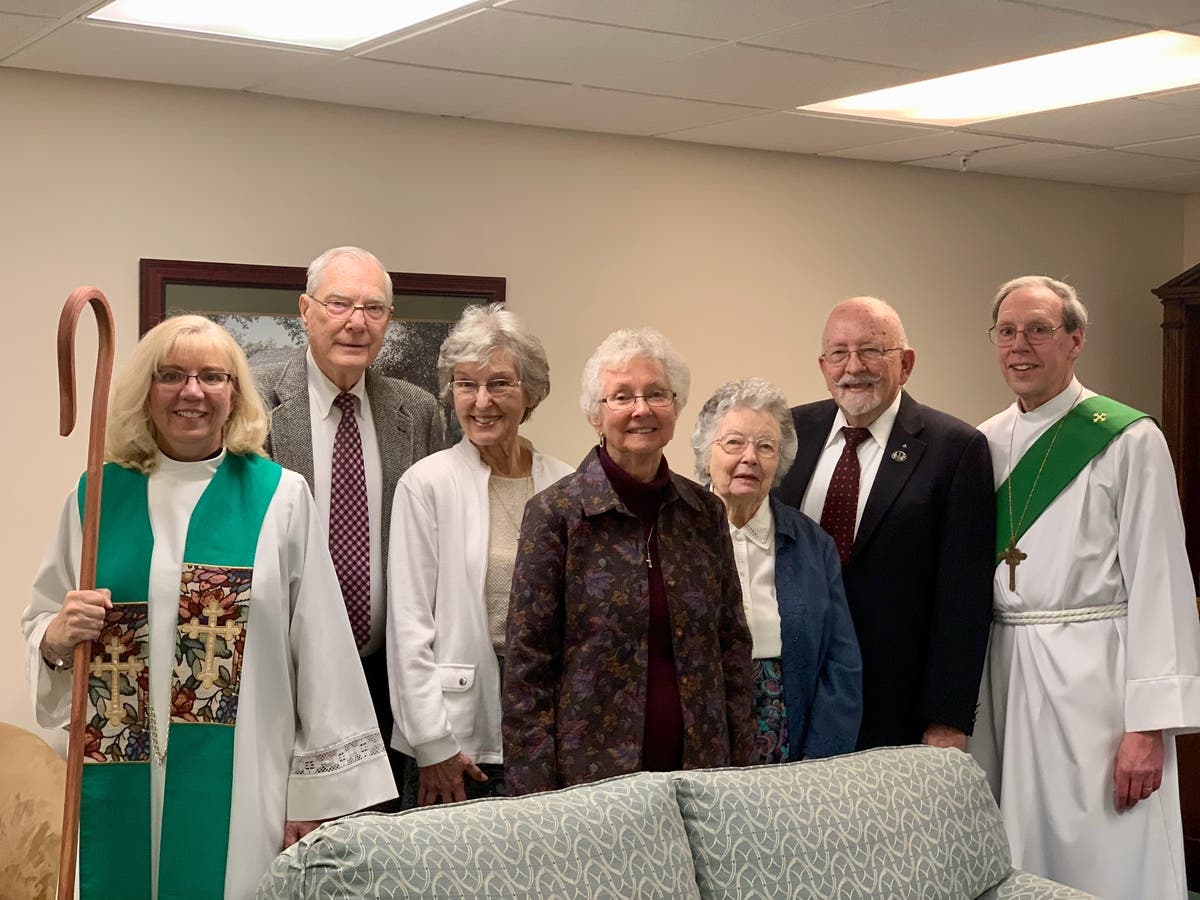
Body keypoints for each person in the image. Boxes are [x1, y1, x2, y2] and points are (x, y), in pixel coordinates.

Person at [22, 315, 394, 899]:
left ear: (234, 394)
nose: (191, 392)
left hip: (244, 785)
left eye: (211, 377)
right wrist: (56, 636)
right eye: (171, 375)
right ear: (146, 391)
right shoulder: (96, 495)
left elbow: (321, 651)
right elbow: (45, 621)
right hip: (121, 774)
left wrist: (315, 797)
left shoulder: (280, 497)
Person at [969, 275, 1200, 900]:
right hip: (1006, 677)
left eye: (1040, 330)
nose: (1022, 346)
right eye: (1008, 332)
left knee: (1108, 853)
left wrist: (1148, 728)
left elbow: (1161, 581)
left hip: (1098, 686)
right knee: (1014, 851)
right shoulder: (981, 443)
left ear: (1075, 341)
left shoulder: (1126, 438)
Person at [503, 328, 755, 795]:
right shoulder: (556, 514)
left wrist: (742, 771)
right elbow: (527, 668)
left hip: (702, 775)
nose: (641, 409)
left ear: (675, 407)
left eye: (656, 394)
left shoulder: (703, 513)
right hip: (590, 783)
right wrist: (535, 799)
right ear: (596, 415)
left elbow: (732, 650)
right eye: (622, 397)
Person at [252, 246, 444, 798]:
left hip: (385, 674)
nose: (356, 322)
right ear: (305, 310)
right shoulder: (255, 402)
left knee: (382, 847)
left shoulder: (418, 411)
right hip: (285, 672)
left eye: (374, 308)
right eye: (339, 304)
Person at [774, 296, 994, 751]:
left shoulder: (954, 449)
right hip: (798, 692)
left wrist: (948, 718)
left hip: (899, 703)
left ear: (906, 363)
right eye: (838, 352)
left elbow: (964, 598)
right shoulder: (788, 433)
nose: (853, 366)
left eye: (871, 350)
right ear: (823, 365)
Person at [387, 305, 572, 807]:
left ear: (530, 392)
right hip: (454, 735)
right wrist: (432, 744)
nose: (481, 401)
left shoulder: (566, 485)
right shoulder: (425, 484)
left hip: (547, 723)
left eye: (500, 384)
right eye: (466, 384)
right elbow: (407, 626)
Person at [691, 378, 862, 763]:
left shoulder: (812, 545)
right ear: (706, 453)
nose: (750, 456)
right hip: (697, 740)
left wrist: (821, 763)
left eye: (765, 446)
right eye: (734, 442)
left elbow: (842, 663)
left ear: (779, 461)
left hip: (791, 737)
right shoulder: (676, 533)